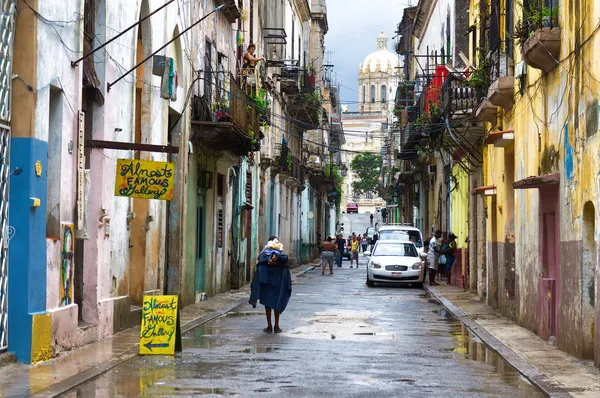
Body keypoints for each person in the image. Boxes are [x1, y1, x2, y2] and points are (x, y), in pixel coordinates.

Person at [249, 238, 292, 334]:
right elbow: (287, 266)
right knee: (276, 303)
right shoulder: (281, 258)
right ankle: (276, 326)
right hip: (278, 282)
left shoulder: (264, 256)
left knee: (267, 304)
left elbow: (259, 264)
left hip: (267, 282)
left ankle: (269, 326)